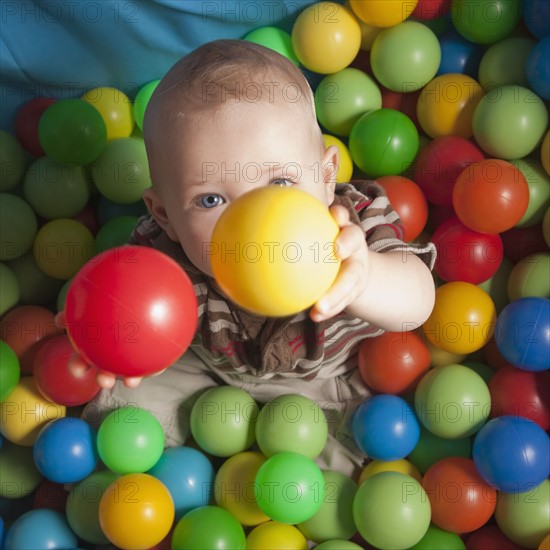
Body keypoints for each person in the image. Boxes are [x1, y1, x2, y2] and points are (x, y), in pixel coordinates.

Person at [80, 38, 436, 477]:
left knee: (327, 473)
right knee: (116, 421)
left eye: (281, 184)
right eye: (210, 199)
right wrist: (102, 331)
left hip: (316, 383)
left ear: (327, 178)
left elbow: (418, 302)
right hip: (198, 360)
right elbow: (124, 301)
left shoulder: (351, 228)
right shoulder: (162, 252)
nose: (253, 222)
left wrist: (363, 278)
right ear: (164, 214)